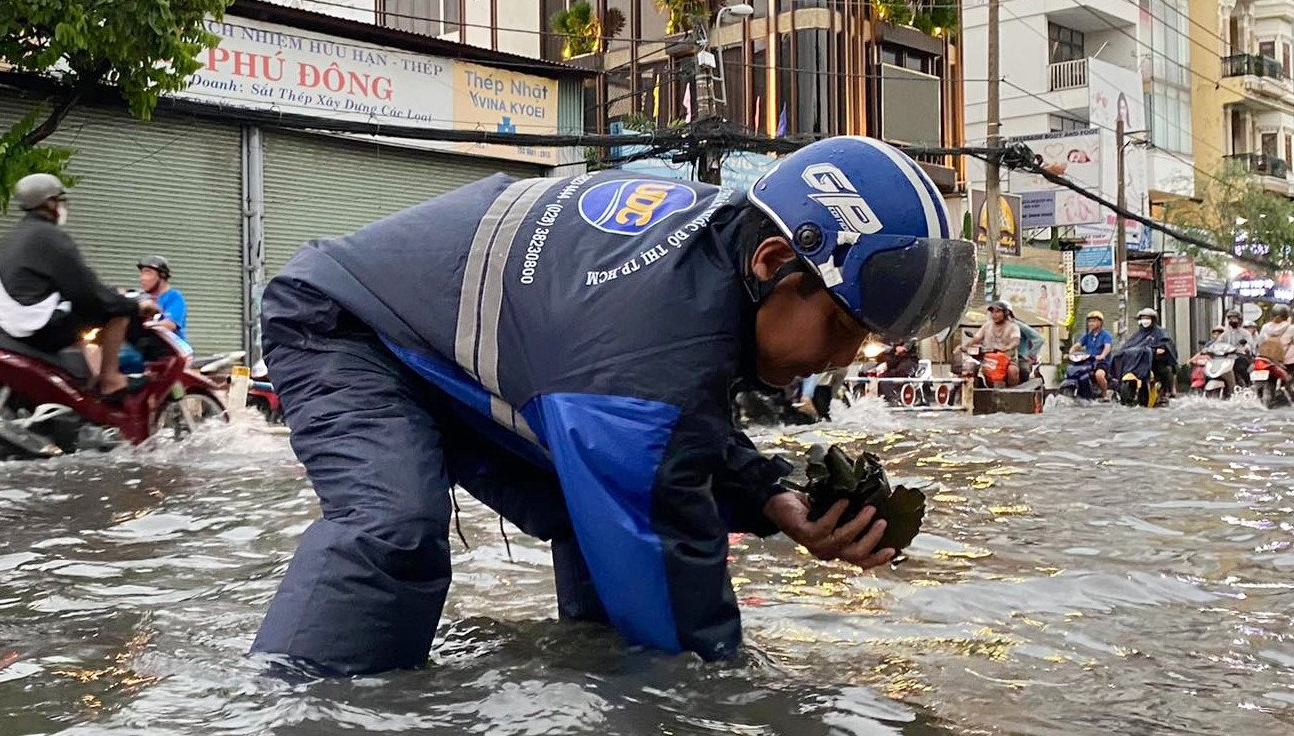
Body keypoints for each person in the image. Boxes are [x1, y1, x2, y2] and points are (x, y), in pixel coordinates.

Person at [248, 136, 977, 675]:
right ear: (772, 264)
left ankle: (586, 675)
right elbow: (671, 559)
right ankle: (286, 707)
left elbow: (679, 431)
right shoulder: (652, 343)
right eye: (843, 326)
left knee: (593, 519)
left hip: (444, 347)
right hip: (343, 323)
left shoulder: (711, 265)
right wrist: (733, 700)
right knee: (396, 528)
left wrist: (770, 498)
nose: (844, 359)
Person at [0, 174, 151, 399]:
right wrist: (131, 304)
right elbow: (87, 293)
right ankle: (110, 380)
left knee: (82, 329)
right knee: (116, 313)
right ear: (50, 203)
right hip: (30, 329)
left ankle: (86, 385)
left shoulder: (8, 239)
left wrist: (108, 294)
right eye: (61, 200)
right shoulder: (50, 237)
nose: (64, 207)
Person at [1115, 307, 1177, 403]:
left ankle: (1164, 392)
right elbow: (1128, 345)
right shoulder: (1138, 334)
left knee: (1164, 370)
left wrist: (1160, 349)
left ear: (1153, 319)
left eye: (1147, 318)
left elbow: (1166, 343)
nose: (1145, 320)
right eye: (1143, 318)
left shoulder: (1160, 332)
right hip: (1139, 363)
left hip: (1155, 362)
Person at [1257, 305, 1294, 401]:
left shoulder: (1265, 327)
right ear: (1286, 316)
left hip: (1266, 360)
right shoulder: (1290, 328)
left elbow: (1259, 343)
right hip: (1286, 362)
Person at [967, 300, 1025, 385]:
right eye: (992, 312)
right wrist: (964, 346)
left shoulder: (1013, 327)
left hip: (1007, 359)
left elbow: (1016, 341)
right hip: (987, 359)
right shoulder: (987, 325)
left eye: (998, 311)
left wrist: (1008, 347)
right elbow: (976, 338)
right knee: (970, 368)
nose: (995, 314)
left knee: (1013, 371)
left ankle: (1010, 395)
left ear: (1005, 313)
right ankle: (971, 393)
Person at [136, 255, 188, 340]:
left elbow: (169, 325)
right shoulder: (140, 297)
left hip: (169, 349)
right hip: (140, 349)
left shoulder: (174, 297)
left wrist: (145, 326)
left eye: (148, 273)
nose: (142, 278)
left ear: (162, 275)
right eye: (142, 273)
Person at [1078, 310, 1113, 396]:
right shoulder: (1087, 335)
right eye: (1089, 321)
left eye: (1094, 321)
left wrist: (1102, 355)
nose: (1091, 323)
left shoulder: (1106, 335)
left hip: (1101, 363)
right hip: (1088, 362)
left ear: (1100, 322)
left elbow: (1107, 347)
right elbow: (1077, 345)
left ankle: (1104, 393)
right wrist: (1070, 353)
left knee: (1099, 375)